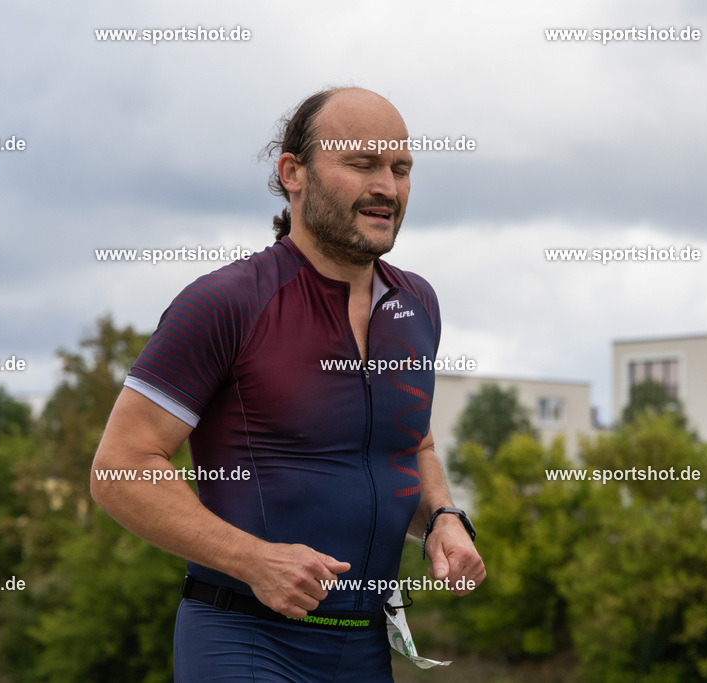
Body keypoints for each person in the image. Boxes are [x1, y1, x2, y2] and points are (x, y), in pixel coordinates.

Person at [90, 86, 485, 682]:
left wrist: (442, 518)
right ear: (293, 173)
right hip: (243, 640)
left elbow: (411, 445)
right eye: (361, 164)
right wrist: (254, 559)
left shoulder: (416, 303)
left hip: (365, 649)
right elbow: (119, 469)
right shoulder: (226, 302)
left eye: (400, 169)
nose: (387, 186)